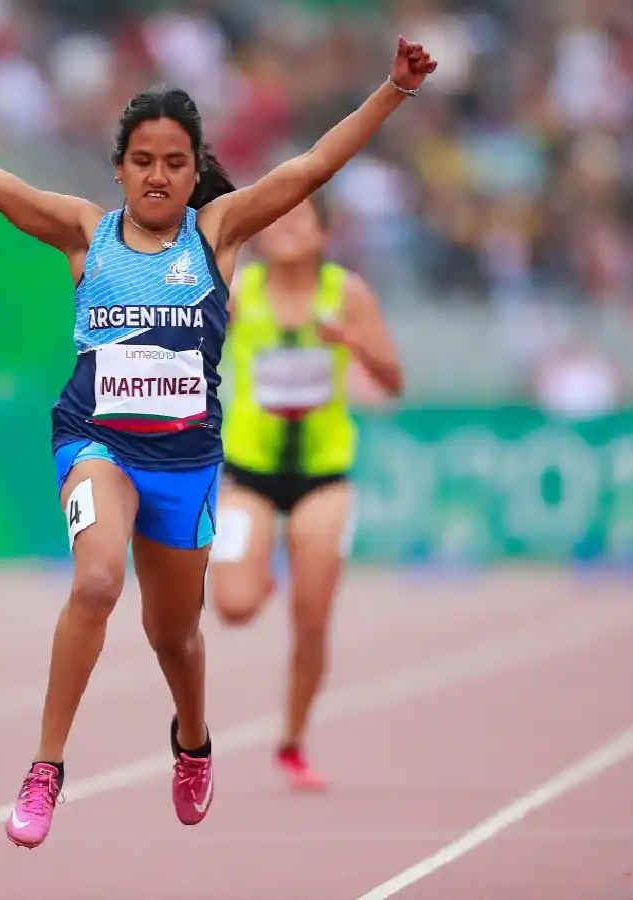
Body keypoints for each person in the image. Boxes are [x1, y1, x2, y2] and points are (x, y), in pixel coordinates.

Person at [0, 37, 435, 850]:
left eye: (175, 162)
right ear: (120, 168)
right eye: (143, 161)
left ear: (195, 167)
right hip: (94, 440)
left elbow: (311, 167)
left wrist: (393, 89)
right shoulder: (82, 234)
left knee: (175, 635)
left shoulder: (220, 232)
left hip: (186, 463)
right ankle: (45, 768)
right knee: (97, 579)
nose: (159, 176)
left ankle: (194, 740)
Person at [208, 194, 403, 791]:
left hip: (324, 475)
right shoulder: (241, 290)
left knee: (312, 618)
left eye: (301, 218)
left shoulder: (347, 294)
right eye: (277, 219)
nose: (287, 226)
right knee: (234, 607)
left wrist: (352, 341)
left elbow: (393, 381)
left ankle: (292, 740)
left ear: (322, 231)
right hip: (249, 472)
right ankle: (259, 567)